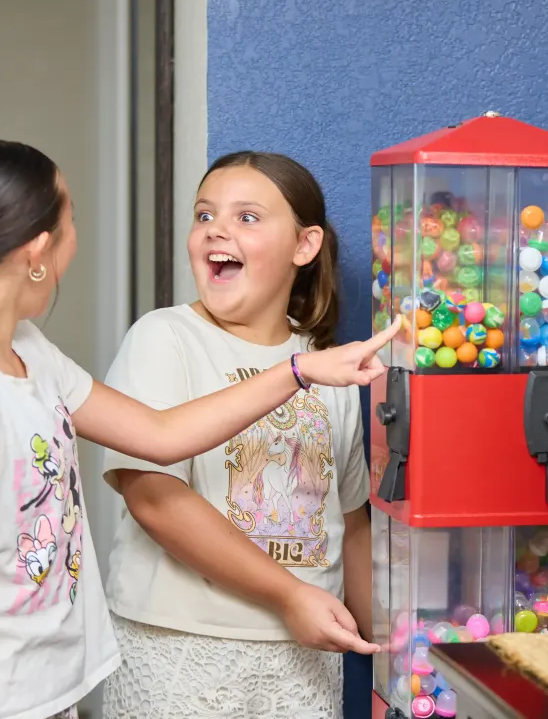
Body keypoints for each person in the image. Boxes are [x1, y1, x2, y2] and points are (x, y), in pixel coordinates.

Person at [0, 140, 400, 719]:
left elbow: (159, 433)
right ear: (41, 250)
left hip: (44, 689)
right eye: (72, 221)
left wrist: (301, 370)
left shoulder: (29, 352)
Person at [99, 151, 379, 719]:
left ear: (305, 246)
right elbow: (153, 498)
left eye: (247, 217)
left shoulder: (329, 366)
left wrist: (391, 665)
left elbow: (350, 526)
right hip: (179, 652)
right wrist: (288, 595)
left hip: (302, 662)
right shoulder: (164, 337)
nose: (216, 231)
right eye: (204, 216)